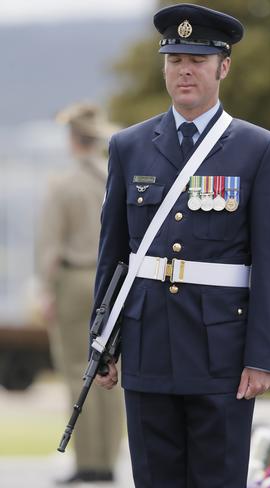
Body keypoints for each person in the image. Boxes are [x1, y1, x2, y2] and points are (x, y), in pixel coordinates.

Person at [93, 3, 270, 487]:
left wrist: (262, 357)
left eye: (198, 60)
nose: (185, 69)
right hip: (147, 349)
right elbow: (114, 253)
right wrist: (100, 342)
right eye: (175, 58)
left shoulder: (260, 150)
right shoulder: (129, 146)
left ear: (223, 67)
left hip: (220, 353)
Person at [37, 103, 123, 484]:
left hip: (73, 281)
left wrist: (44, 289)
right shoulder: (112, 177)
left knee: (77, 370)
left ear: (73, 139)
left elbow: (49, 247)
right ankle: (107, 459)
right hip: (111, 282)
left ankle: (88, 461)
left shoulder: (64, 184)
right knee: (109, 370)